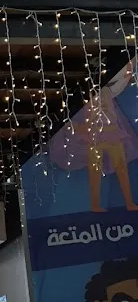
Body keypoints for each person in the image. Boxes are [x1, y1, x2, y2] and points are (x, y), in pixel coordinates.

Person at [50, 60, 138, 213]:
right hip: (93, 138)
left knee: (120, 170)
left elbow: (123, 80)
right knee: (95, 173)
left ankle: (129, 203)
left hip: (112, 135)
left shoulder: (107, 92)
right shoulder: (82, 98)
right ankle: (96, 205)